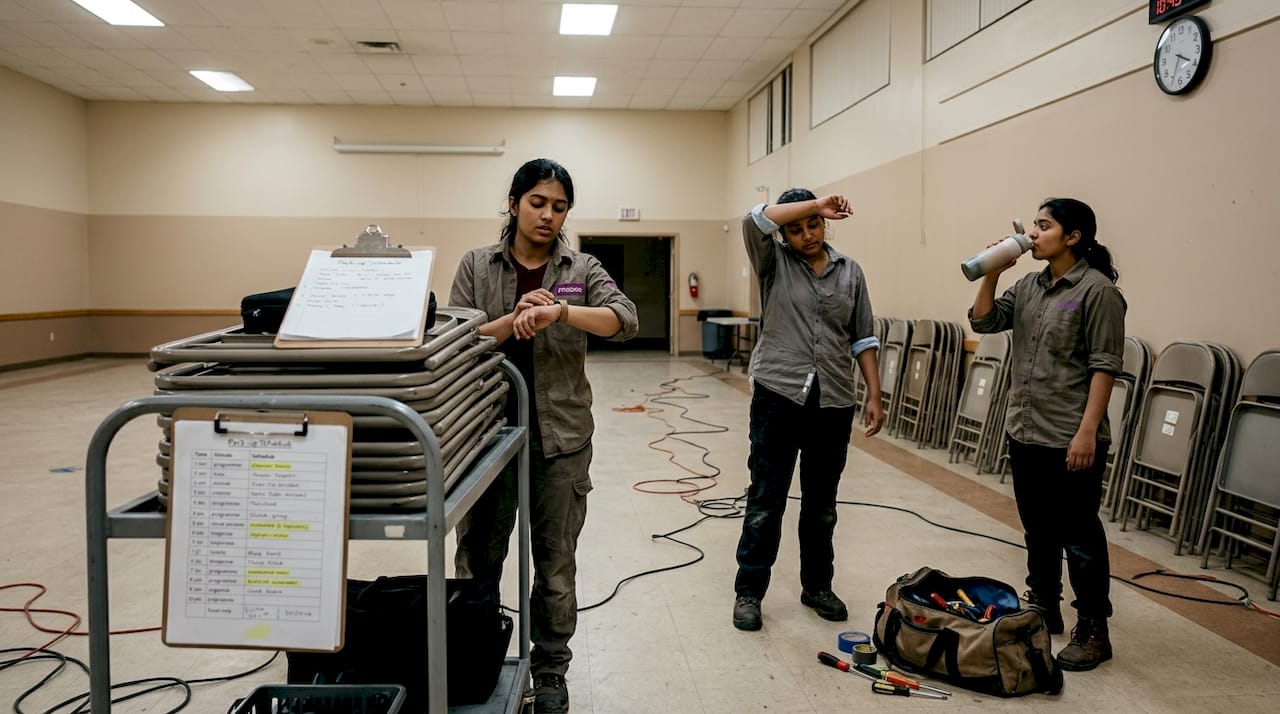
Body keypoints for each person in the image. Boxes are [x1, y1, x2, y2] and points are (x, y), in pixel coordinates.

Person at [450, 158, 638, 712]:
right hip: (483, 436)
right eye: (538, 202)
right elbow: (457, 339)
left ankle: (551, 671)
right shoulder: (478, 266)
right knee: (478, 559)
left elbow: (622, 319)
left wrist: (561, 312)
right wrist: (513, 319)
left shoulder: (580, 266)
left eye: (560, 207)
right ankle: (472, 655)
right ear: (513, 203)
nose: (548, 215)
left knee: (555, 563)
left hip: (561, 440)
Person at [969, 197, 1125, 672]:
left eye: (1043, 226)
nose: (1034, 233)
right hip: (1026, 429)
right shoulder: (1030, 286)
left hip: (1071, 436)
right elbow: (983, 320)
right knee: (1037, 528)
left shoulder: (1098, 292)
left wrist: (1087, 432)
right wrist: (994, 270)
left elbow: (1105, 367)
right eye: (1033, 225)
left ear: (1072, 236)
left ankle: (1094, 629)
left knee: (1079, 535)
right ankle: (1044, 606)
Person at [732, 189, 885, 632]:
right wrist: (815, 203)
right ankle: (749, 591)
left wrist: (874, 395)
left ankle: (817, 586)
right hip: (778, 394)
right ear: (785, 233)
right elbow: (754, 218)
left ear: (826, 227)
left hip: (833, 399)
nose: (807, 235)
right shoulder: (773, 262)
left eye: (814, 225)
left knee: (822, 504)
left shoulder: (850, 272)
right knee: (767, 499)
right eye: (796, 229)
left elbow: (863, 338)